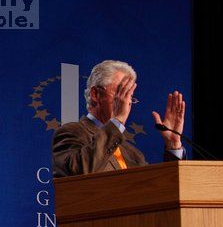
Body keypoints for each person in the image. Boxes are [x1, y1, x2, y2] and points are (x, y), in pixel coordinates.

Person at [52, 60, 185, 178]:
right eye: (121, 94)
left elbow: (163, 191)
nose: (126, 103)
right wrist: (117, 120)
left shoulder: (133, 153)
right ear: (96, 94)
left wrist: (173, 145)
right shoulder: (71, 132)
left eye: (129, 97)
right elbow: (80, 173)